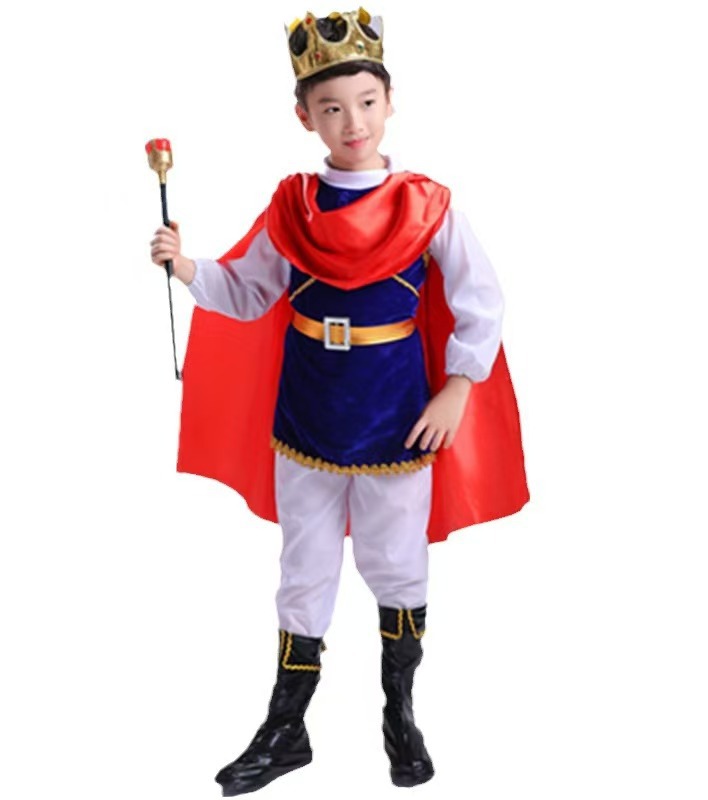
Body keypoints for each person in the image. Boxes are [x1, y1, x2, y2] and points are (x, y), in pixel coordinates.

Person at [149, 8, 528, 796]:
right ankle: (287, 727)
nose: (351, 122)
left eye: (365, 102)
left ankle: (399, 713)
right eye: (331, 107)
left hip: (397, 415)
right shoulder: (293, 207)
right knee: (304, 565)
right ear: (305, 118)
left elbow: (480, 301)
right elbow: (249, 290)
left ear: (390, 103)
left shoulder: (426, 205)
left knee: (397, 559)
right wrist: (186, 267)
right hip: (310, 411)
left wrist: (459, 386)